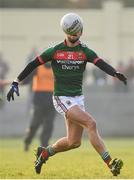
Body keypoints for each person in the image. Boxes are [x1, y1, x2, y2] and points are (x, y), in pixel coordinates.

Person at [7, 13, 127, 176]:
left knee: (73, 142)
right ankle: (110, 163)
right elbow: (33, 64)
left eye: (75, 32)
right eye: (70, 32)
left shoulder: (84, 51)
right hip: (61, 98)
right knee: (91, 123)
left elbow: (101, 63)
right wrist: (16, 81)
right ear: (66, 32)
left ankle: (44, 153)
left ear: (81, 32)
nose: (73, 35)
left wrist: (115, 73)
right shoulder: (55, 50)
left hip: (77, 99)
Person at [23, 58, 56, 151]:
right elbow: (26, 79)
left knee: (49, 124)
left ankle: (44, 145)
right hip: (38, 100)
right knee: (35, 123)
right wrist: (15, 82)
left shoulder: (56, 68)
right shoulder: (37, 68)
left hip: (52, 100)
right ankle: (27, 141)